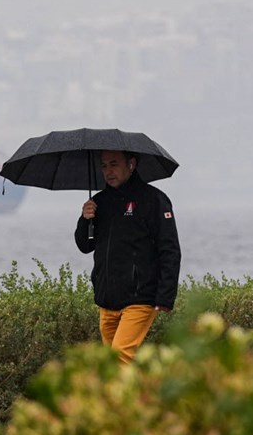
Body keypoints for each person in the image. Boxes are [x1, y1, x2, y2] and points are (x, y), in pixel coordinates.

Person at [75, 149, 182, 364]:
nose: (108, 171)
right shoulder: (98, 202)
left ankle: (116, 398)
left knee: (120, 359)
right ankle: (144, 396)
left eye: (114, 164)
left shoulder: (154, 199)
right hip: (106, 300)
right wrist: (85, 219)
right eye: (104, 166)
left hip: (140, 298)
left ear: (131, 164)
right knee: (112, 364)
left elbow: (170, 249)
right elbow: (85, 246)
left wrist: (166, 296)